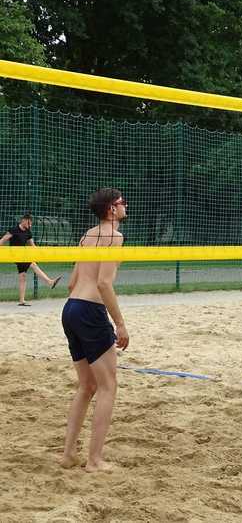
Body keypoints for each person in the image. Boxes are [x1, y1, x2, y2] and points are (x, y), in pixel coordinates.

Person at [60, 188, 129, 472]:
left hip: (71, 308)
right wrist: (120, 323)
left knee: (86, 386)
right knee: (107, 386)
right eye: (122, 202)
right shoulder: (114, 236)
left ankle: (67, 455)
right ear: (111, 209)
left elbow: (72, 282)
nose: (126, 205)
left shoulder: (86, 235)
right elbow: (103, 283)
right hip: (89, 310)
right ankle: (94, 460)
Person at [0, 213, 62, 305]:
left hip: (23, 255)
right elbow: (3, 240)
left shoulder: (28, 232)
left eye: (31, 223)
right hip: (15, 254)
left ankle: (21, 300)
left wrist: (40, 253)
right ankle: (49, 282)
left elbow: (33, 246)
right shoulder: (14, 230)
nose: (30, 225)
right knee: (32, 264)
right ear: (24, 220)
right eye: (29, 223)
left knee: (23, 276)